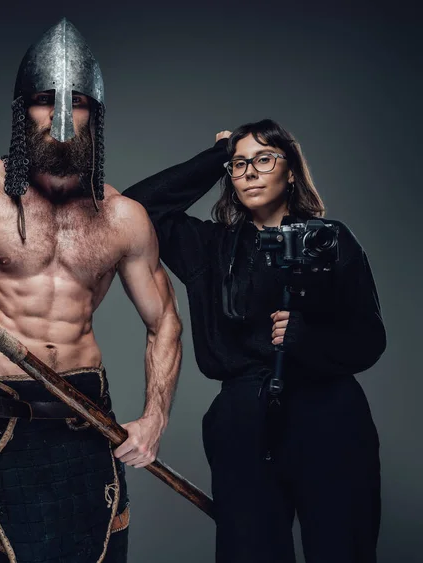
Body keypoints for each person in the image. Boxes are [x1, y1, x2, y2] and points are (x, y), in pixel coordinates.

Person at [0, 18, 182, 563]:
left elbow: (165, 322)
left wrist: (155, 418)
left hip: (90, 418)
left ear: (98, 115)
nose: (61, 117)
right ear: (23, 110)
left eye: (79, 102)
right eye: (45, 100)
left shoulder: (125, 219)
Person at [123, 118, 386, 563]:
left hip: (330, 417)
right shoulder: (209, 247)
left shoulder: (331, 240)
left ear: (291, 171)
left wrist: (310, 339)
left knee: (343, 548)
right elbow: (135, 208)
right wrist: (215, 157)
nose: (249, 171)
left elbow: (370, 339)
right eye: (239, 163)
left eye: (264, 159)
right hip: (243, 423)